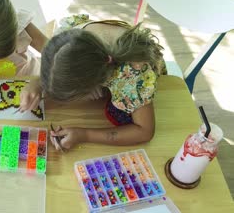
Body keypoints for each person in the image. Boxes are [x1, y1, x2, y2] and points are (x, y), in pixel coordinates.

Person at [19, 17, 166, 151]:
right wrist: (39, 82)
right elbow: (57, 65)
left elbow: (144, 131)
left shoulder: (132, 80)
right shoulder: (71, 42)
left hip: (143, 79)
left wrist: (84, 135)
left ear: (93, 85)